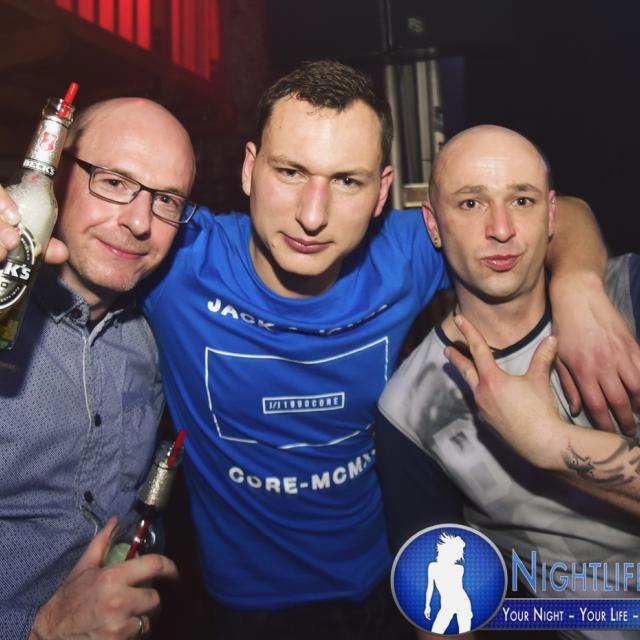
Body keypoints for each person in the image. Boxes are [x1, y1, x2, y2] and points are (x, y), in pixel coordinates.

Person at [141, 60, 639, 638]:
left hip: (385, 576)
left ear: (382, 192)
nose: (312, 215)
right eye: (292, 172)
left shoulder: (406, 253)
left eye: (346, 181)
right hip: (251, 605)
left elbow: (554, 212)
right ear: (250, 169)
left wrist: (577, 286)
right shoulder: (176, 259)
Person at [376, 125, 640, 638]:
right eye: (470, 203)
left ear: (551, 214)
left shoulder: (627, 300)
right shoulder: (411, 408)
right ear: (432, 224)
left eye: (521, 200)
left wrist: (548, 443)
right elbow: (443, 618)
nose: (501, 229)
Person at [0, 97, 196, 640]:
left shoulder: (152, 335)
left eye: (166, 200)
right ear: (58, 174)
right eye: (113, 182)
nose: (139, 222)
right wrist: (39, 628)